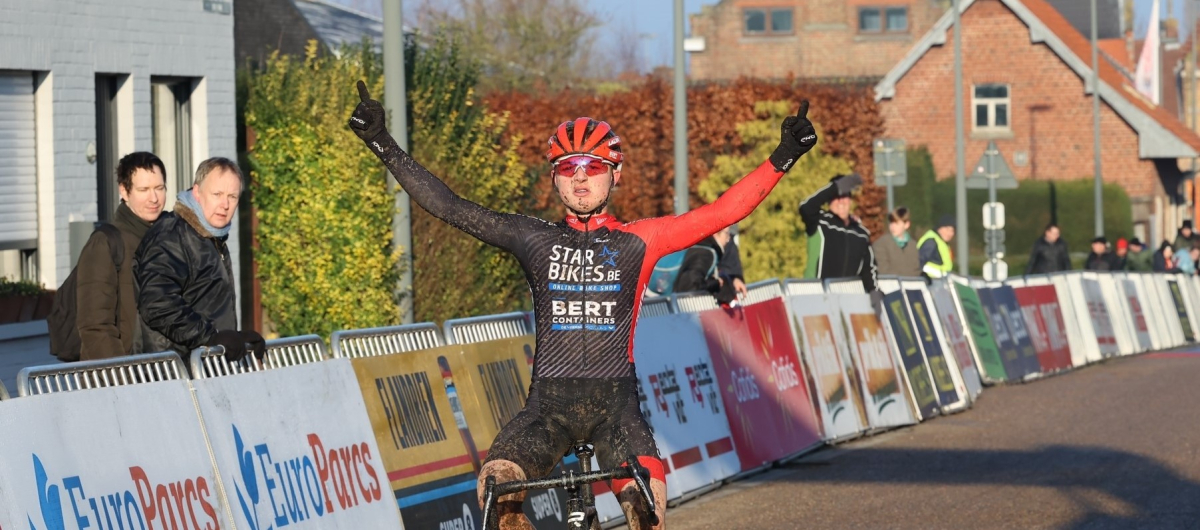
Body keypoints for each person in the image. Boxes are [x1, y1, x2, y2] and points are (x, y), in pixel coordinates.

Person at [348, 81, 818, 529]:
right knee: (495, 492)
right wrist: (380, 141)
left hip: (616, 410)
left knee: (645, 512)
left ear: (614, 174)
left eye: (592, 167)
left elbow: (721, 213)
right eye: (567, 167)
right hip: (546, 408)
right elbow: (450, 206)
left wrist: (784, 156)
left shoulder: (641, 240)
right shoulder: (533, 238)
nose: (579, 178)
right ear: (554, 177)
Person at [135, 157, 266, 363]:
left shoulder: (211, 237)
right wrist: (210, 337)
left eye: (232, 196)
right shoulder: (173, 235)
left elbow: (204, 305)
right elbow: (157, 303)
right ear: (197, 192)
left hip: (204, 368)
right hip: (173, 373)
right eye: (217, 194)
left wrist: (235, 336)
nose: (225, 204)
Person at [75, 152, 167, 359]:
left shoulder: (173, 239)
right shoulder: (105, 243)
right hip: (120, 380)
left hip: (164, 373)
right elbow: (95, 326)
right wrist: (122, 377)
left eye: (159, 188)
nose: (154, 198)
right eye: (143, 190)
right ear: (124, 191)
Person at [799, 173, 877, 292]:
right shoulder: (820, 222)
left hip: (848, 301)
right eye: (836, 196)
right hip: (816, 296)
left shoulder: (861, 234)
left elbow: (868, 268)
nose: (840, 201)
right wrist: (836, 187)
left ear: (850, 199)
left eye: (844, 195)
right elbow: (806, 208)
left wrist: (874, 292)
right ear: (829, 200)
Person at [672, 227, 728, 295]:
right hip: (685, 303)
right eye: (726, 233)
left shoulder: (699, 247)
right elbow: (691, 285)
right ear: (716, 233)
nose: (728, 239)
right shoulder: (706, 254)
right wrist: (716, 283)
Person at [872, 206, 921, 276]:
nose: (892, 227)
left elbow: (916, 270)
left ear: (906, 225)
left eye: (896, 223)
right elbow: (883, 271)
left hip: (912, 285)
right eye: (891, 223)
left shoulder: (913, 245)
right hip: (891, 285)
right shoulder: (881, 244)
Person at [918, 214, 956, 279]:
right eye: (947, 229)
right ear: (939, 228)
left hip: (939, 282)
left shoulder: (942, 243)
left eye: (952, 231)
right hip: (929, 283)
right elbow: (918, 263)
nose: (950, 233)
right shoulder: (931, 242)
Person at [718, 224, 749, 300]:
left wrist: (736, 278)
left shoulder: (729, 245)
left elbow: (732, 266)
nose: (727, 238)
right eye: (726, 234)